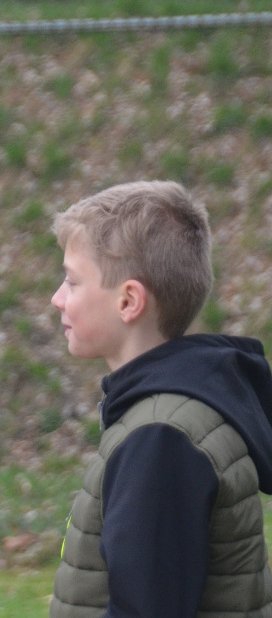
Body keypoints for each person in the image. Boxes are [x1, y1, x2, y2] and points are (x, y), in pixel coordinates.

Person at [48, 180, 272, 616]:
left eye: (73, 281)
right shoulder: (172, 416)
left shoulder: (161, 438)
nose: (57, 298)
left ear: (129, 300)